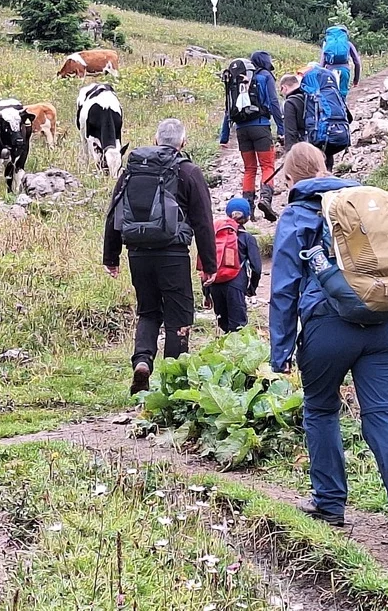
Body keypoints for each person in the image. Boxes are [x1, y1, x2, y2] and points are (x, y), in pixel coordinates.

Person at [268, 142, 388, 550]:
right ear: (325, 166)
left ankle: (329, 504)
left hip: (329, 326)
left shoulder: (298, 213)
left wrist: (280, 352)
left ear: (291, 177)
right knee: (385, 415)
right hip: (384, 323)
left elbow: (284, 288)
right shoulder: (361, 203)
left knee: (321, 409)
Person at [104, 118, 217, 395]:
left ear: (156, 140)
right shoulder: (188, 171)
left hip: (138, 254)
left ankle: (143, 361)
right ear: (183, 143)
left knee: (148, 311)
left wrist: (111, 257)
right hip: (173, 254)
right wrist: (208, 264)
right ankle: (173, 383)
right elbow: (203, 221)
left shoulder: (132, 170)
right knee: (179, 316)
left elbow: (114, 211)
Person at [219, 51, 285, 223]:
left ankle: (247, 210)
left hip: (241, 129)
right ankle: (265, 200)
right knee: (267, 165)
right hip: (261, 127)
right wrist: (281, 128)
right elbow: (273, 102)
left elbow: (228, 108)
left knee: (249, 169)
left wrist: (224, 137)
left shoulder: (237, 79)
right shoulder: (265, 77)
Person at [203, 197, 261, 333]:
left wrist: (206, 293)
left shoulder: (214, 236)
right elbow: (256, 268)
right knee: (239, 327)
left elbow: (207, 262)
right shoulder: (247, 238)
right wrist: (252, 288)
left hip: (215, 284)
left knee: (223, 324)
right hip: (236, 284)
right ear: (247, 217)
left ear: (228, 214)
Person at [320, 25, 362, 101]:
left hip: (329, 71)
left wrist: (320, 77)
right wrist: (356, 80)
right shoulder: (348, 44)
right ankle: (342, 106)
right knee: (342, 94)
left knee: (330, 94)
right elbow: (357, 62)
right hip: (344, 71)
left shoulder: (327, 45)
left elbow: (322, 63)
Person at [279, 74, 306, 150]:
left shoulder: (290, 103)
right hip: (319, 142)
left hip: (303, 146)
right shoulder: (309, 96)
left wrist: (289, 152)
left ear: (284, 87)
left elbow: (290, 131)